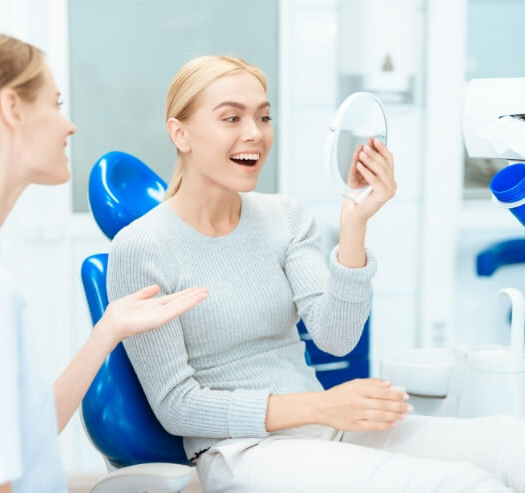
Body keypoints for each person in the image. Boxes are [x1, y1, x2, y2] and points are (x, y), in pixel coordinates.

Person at [106, 55, 525, 493]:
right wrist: (322, 405)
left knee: (510, 442)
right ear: (180, 133)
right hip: (243, 452)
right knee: (460, 484)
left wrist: (354, 225)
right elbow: (178, 407)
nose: (255, 132)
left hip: (326, 427)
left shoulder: (285, 218)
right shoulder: (142, 248)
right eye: (231, 117)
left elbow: (335, 337)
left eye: (263, 116)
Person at [0, 32, 207, 493]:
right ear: (11, 109)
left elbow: (27, 433)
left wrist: (109, 329)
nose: (70, 126)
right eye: (55, 104)